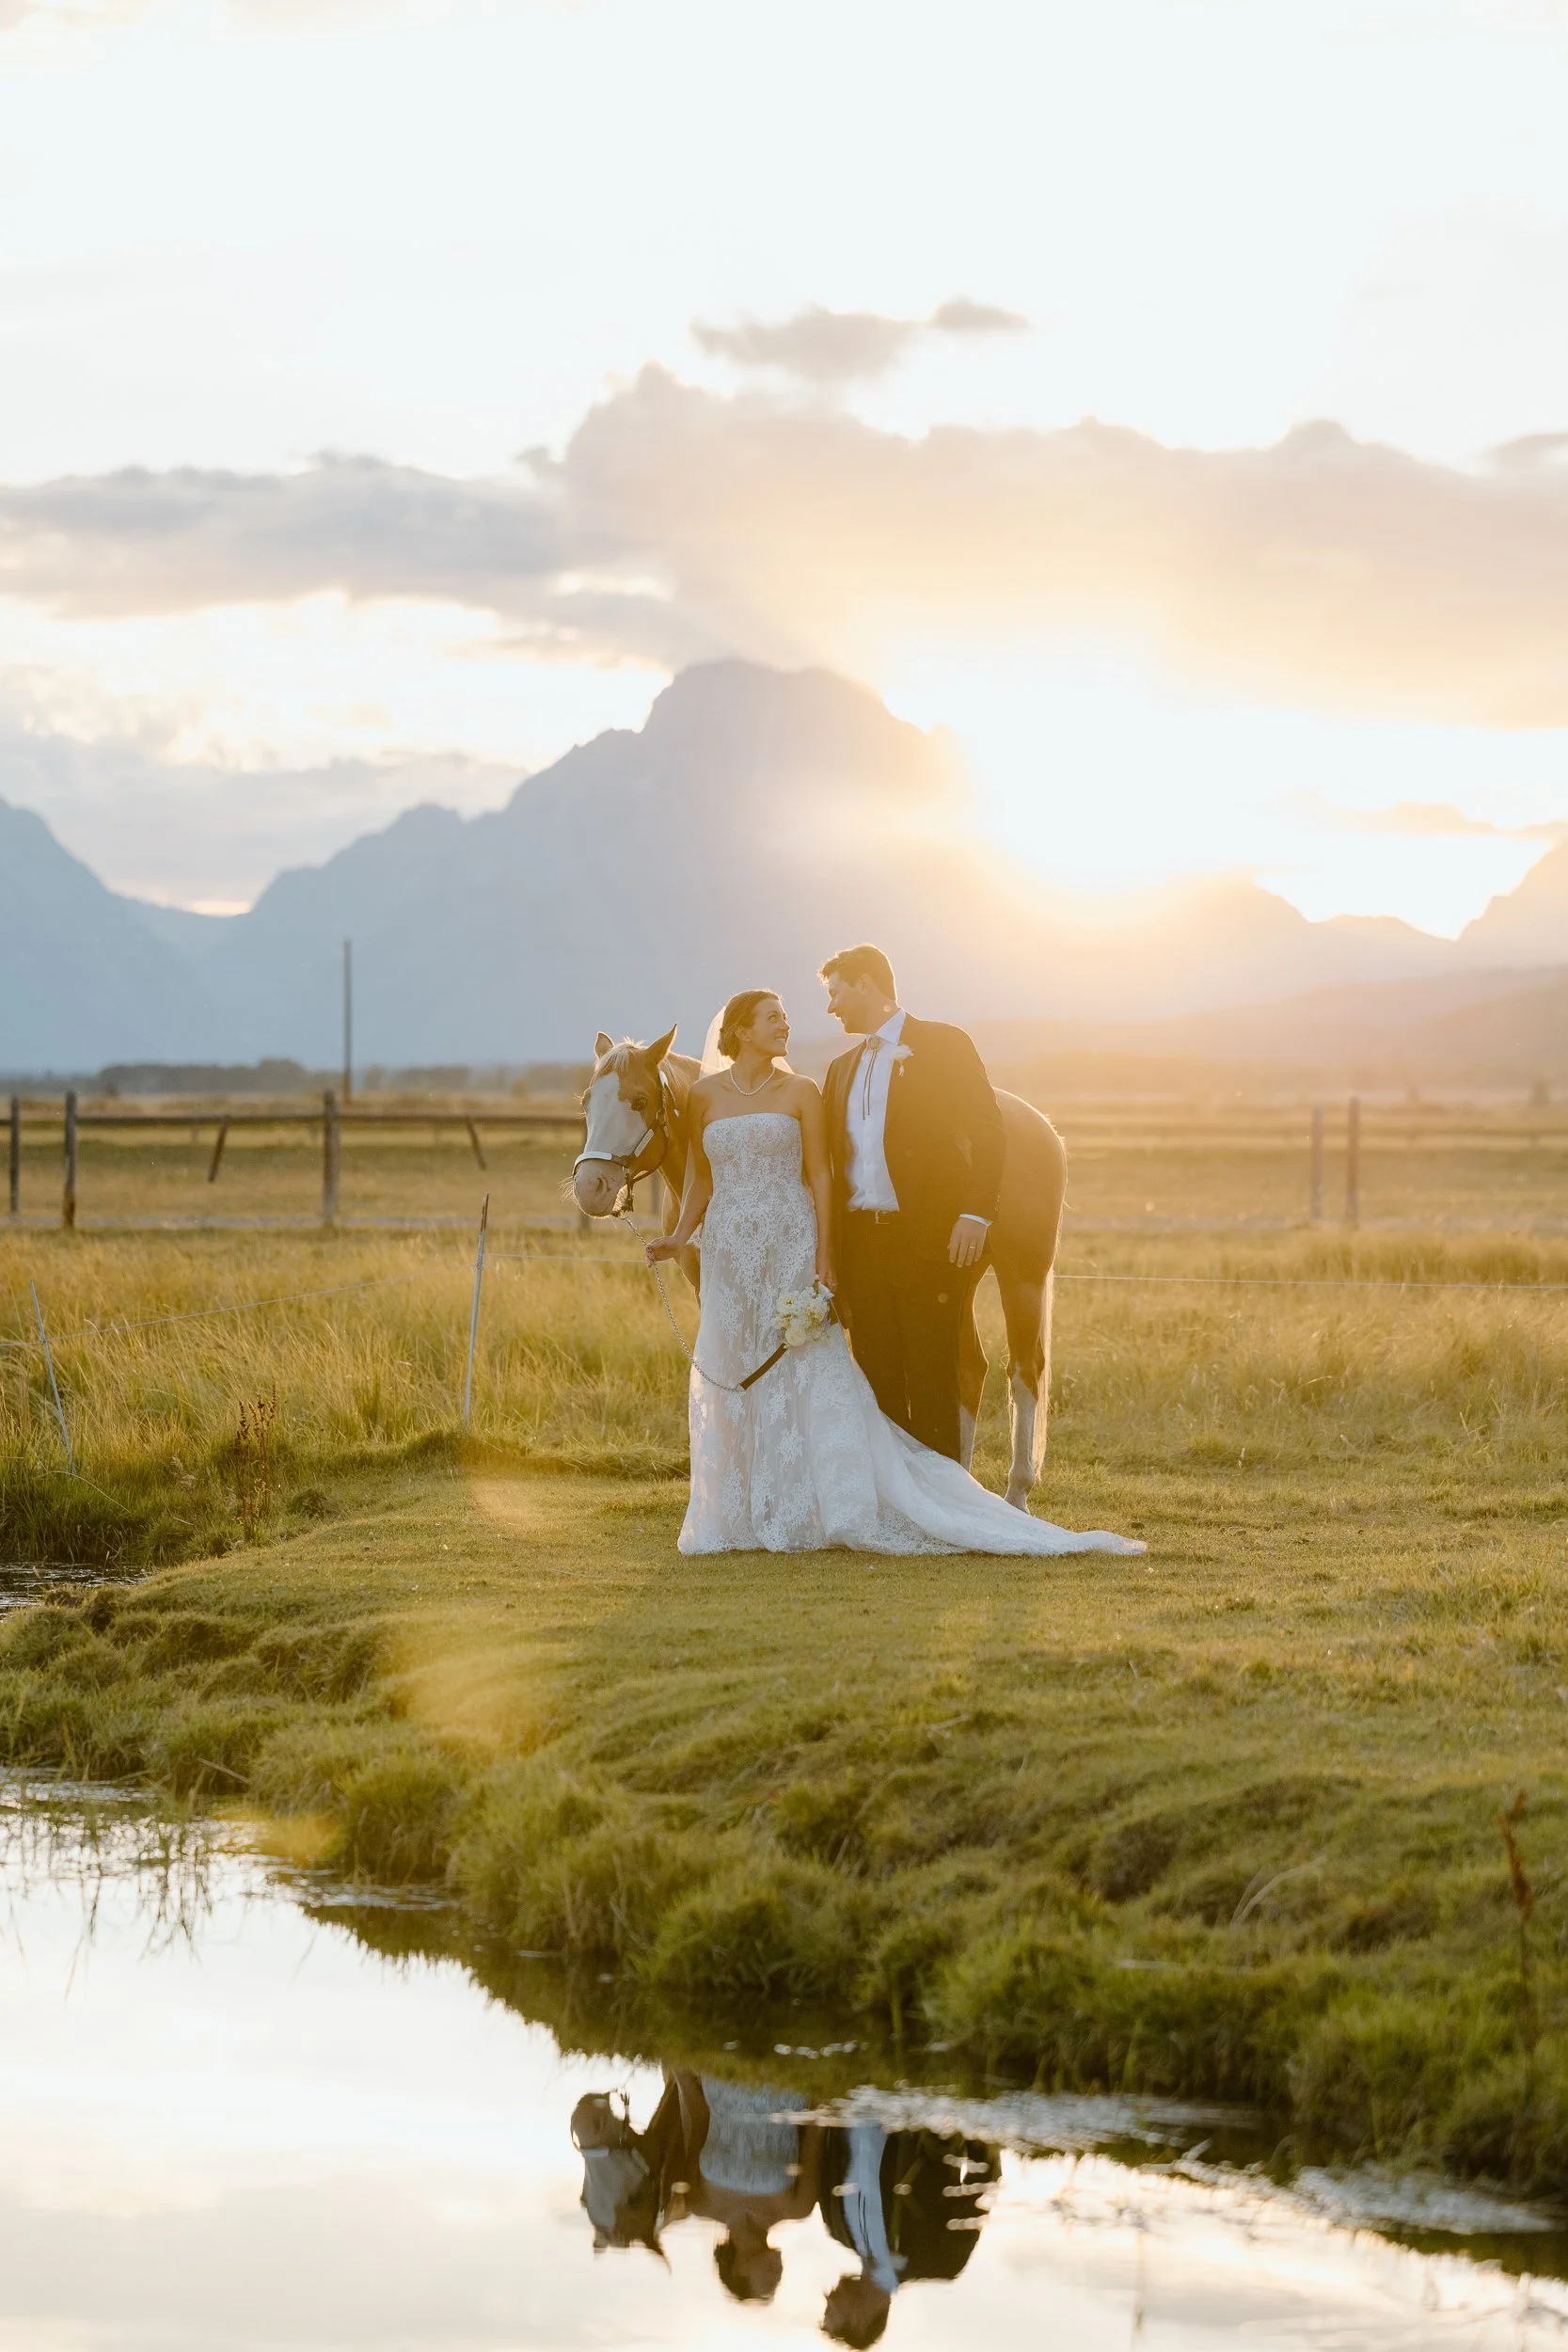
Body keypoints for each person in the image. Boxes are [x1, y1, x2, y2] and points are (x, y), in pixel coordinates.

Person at [645, 984, 1143, 1557]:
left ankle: (902, 1493)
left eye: (785, 1015)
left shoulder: (803, 1089)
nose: (789, 1024)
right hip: (731, 1248)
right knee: (736, 1363)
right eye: (773, 1018)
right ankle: (748, 1503)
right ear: (739, 1031)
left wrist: (826, 1256)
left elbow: (822, 1174)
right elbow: (701, 1178)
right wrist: (679, 1238)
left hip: (792, 1241)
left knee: (807, 1369)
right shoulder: (707, 1097)